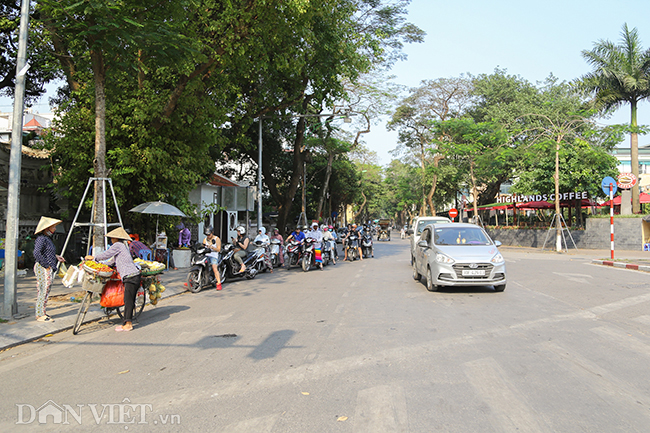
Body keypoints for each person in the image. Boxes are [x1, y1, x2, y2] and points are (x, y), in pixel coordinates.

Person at [85, 227, 141, 332]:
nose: (111, 239)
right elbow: (111, 262)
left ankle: (128, 324)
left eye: (112, 238)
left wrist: (95, 258)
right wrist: (97, 264)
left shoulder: (118, 245)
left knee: (128, 300)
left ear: (116, 238)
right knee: (128, 299)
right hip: (132, 276)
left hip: (131, 276)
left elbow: (107, 254)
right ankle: (126, 321)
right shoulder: (122, 247)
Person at [33, 216, 65, 322]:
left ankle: (42, 312)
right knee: (43, 290)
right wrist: (46, 265)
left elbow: (46, 252)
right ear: (47, 228)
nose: (55, 229)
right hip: (43, 267)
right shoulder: (41, 239)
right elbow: (36, 253)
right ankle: (40, 314)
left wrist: (56, 257)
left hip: (46, 266)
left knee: (45, 290)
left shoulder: (47, 239)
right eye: (53, 227)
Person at [202, 226, 223, 290]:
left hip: (214, 256)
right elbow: (203, 246)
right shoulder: (205, 239)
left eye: (209, 234)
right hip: (206, 255)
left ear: (212, 233)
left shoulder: (217, 239)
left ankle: (219, 283)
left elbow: (219, 249)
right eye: (207, 235)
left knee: (214, 268)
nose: (208, 236)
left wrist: (212, 247)